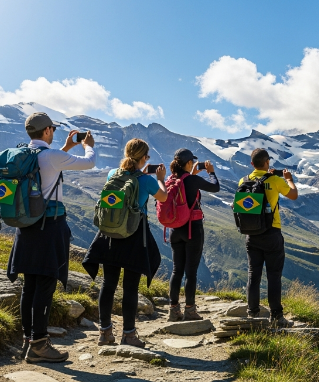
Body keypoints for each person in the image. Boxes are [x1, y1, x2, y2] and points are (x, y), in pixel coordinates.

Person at [7, 112, 96, 363]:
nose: (53, 132)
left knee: (30, 285)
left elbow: (45, 166)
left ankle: (28, 340)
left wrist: (66, 148)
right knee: (45, 284)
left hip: (25, 226)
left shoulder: (22, 154)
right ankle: (39, 345)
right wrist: (88, 146)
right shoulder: (52, 156)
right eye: (52, 129)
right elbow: (89, 163)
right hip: (49, 226)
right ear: (47, 131)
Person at [83, 139, 168, 348]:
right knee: (130, 286)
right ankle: (129, 335)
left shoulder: (113, 174)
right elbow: (163, 197)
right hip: (134, 234)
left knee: (108, 284)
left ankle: (105, 333)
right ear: (144, 158)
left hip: (110, 234)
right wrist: (160, 179)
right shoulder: (146, 180)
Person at [241, 148, 298, 326]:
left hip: (251, 233)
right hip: (272, 232)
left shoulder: (243, 180)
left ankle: (253, 314)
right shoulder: (275, 180)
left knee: (253, 274)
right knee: (273, 275)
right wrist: (289, 179)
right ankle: (276, 316)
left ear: (252, 164)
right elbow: (293, 195)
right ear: (267, 162)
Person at [166, 149, 220, 322]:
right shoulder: (192, 180)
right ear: (189, 163)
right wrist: (211, 172)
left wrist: (193, 174)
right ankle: (190, 310)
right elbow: (215, 187)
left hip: (175, 230)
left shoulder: (171, 179)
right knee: (191, 272)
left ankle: (173, 310)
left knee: (176, 270)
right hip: (192, 229)